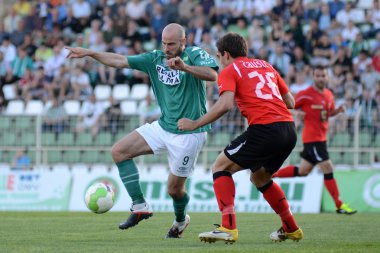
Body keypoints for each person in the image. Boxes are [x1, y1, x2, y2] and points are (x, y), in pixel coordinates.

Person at [66, 23, 218, 238]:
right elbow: (119, 61)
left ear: (184, 41)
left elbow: (212, 75)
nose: (166, 48)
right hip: (164, 126)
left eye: (172, 44)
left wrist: (184, 67)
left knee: (174, 190)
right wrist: (91, 53)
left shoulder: (194, 54)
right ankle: (140, 206)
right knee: (119, 151)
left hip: (189, 133)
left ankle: (180, 221)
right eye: (164, 43)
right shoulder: (154, 59)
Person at [178, 32, 303, 244]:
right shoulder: (266, 65)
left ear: (225, 54)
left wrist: (195, 123)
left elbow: (226, 105)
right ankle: (290, 227)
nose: (219, 61)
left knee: (220, 167)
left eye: (218, 57)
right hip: (288, 130)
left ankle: (228, 226)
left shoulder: (229, 70)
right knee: (260, 178)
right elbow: (290, 101)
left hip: (265, 128)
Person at [272, 65, 357, 215]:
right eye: (318, 75)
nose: (321, 78)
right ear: (313, 77)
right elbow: (288, 105)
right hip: (313, 139)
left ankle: (272, 174)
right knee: (328, 168)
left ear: (327, 77)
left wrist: (338, 111)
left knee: (303, 171)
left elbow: (327, 113)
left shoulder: (329, 95)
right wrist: (297, 114)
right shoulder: (305, 94)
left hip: (321, 139)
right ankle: (339, 204)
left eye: (323, 75)